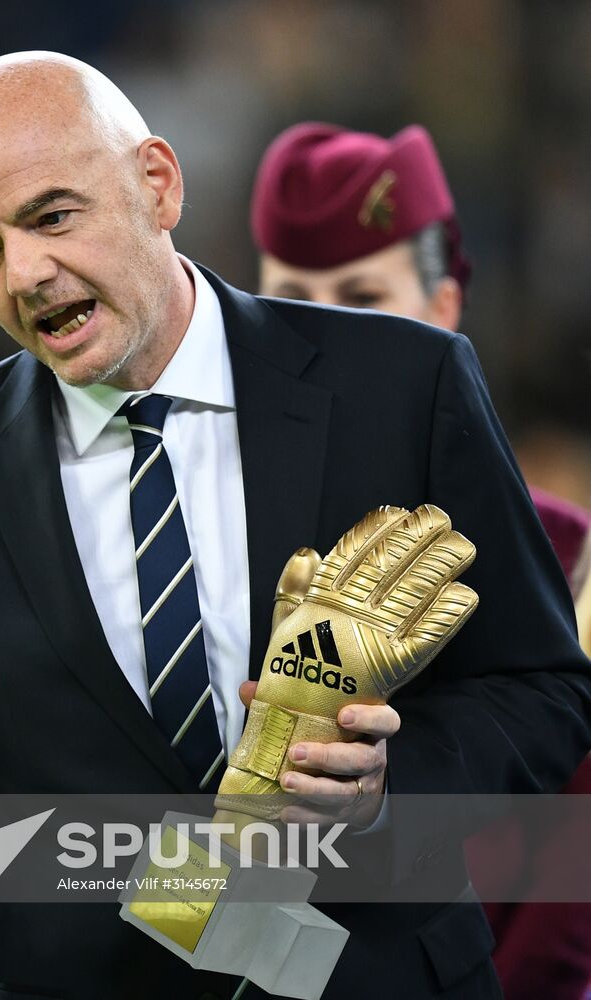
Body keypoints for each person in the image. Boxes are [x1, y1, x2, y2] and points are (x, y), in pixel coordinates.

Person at [0, 51, 591, 999]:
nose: (25, 274)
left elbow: (544, 690)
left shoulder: (405, 386)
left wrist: (377, 798)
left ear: (157, 184)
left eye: (51, 216)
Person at [250, 121, 591, 1000]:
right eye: (288, 299)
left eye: (361, 298)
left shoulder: (571, 568)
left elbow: (561, 909)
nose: (321, 335)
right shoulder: (197, 538)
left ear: (444, 313)